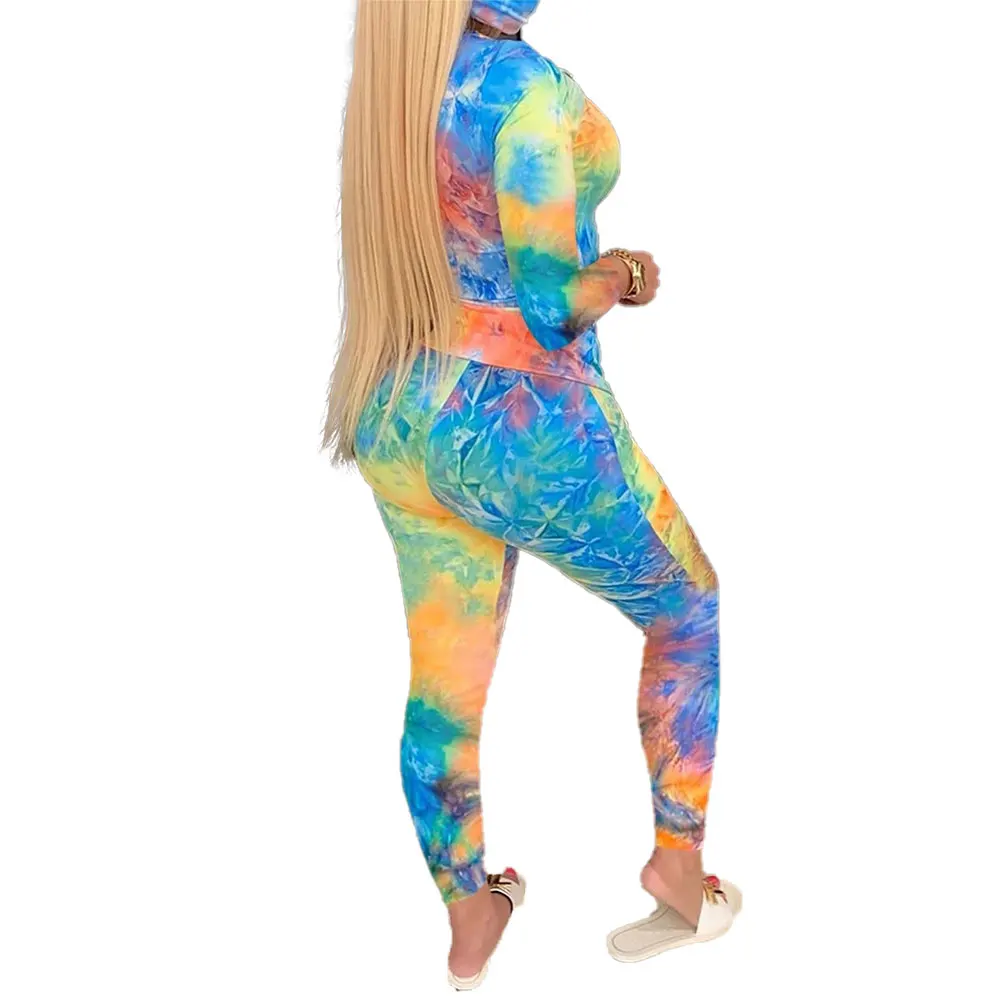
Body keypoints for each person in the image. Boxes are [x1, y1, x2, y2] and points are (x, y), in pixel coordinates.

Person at [323, 0, 740, 988]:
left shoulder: (395, 74)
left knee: (443, 688)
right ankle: (678, 868)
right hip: (520, 426)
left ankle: (470, 910)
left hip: (400, 409)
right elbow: (552, 305)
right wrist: (626, 272)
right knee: (687, 607)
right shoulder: (525, 94)